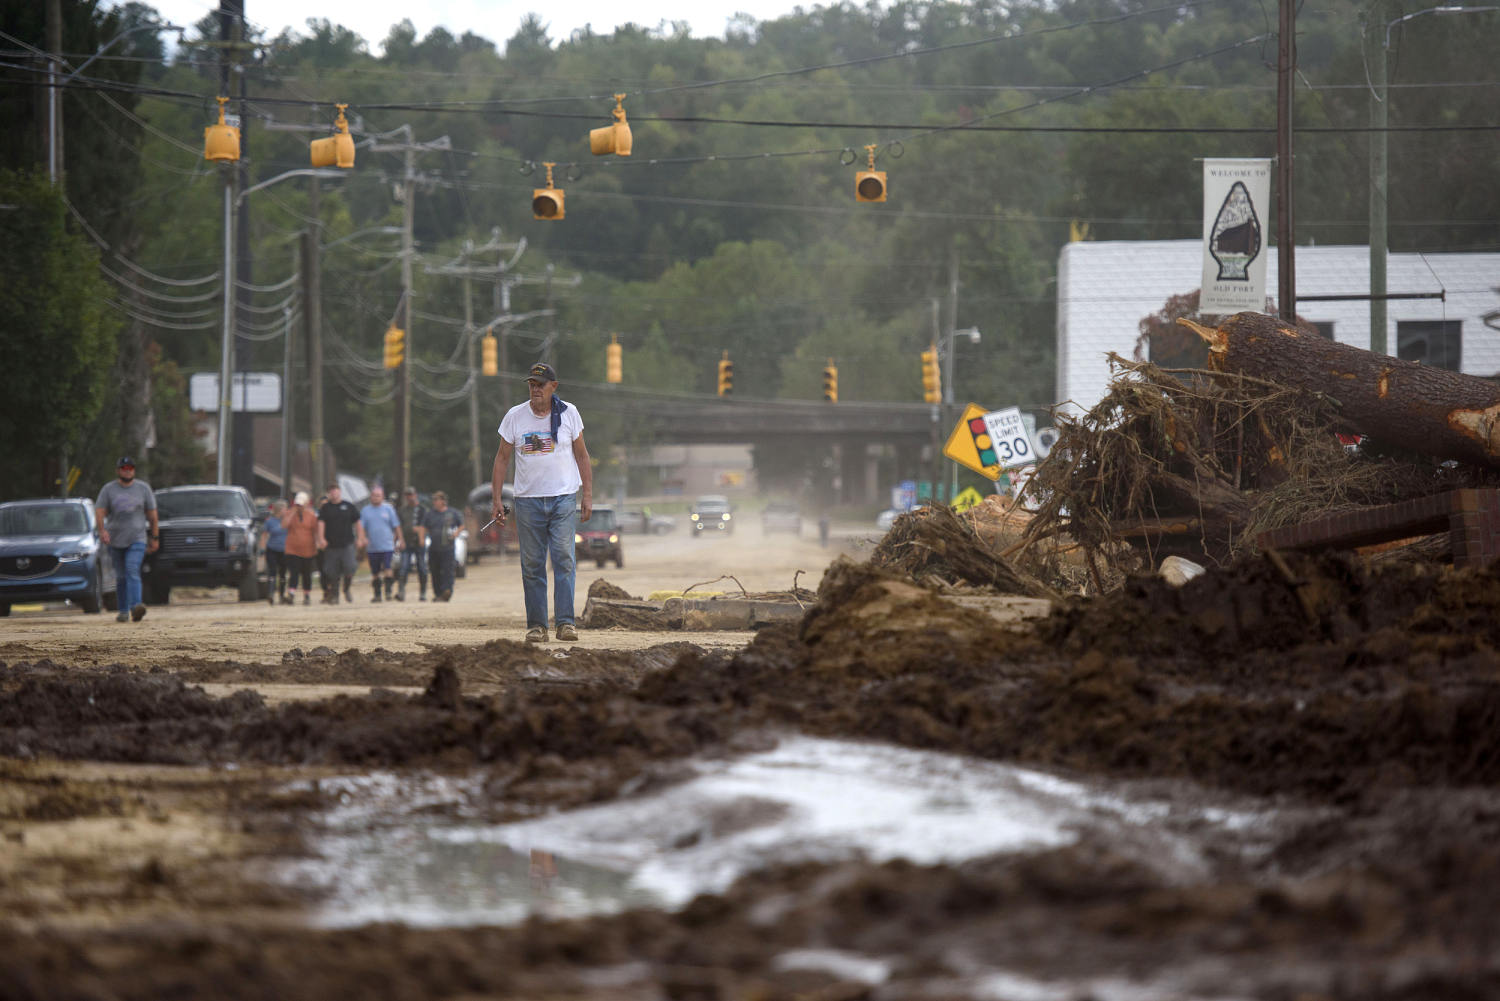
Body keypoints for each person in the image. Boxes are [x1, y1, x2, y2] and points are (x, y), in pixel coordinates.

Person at [492, 362, 592, 643]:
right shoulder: (515, 417)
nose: (535, 390)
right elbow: (502, 458)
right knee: (533, 565)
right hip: (527, 502)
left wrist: (587, 495)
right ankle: (537, 626)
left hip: (562, 499)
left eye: (540, 385)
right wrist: (497, 499)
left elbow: (582, 456)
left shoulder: (569, 414)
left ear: (553, 387)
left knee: (564, 559)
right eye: (531, 385)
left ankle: (565, 623)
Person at [95, 456, 158, 623]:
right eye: (124, 468)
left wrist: (155, 536)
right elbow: (100, 511)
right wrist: (102, 531)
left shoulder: (143, 489)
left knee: (132, 569)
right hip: (115, 540)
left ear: (134, 470)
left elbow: (152, 515)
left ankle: (136, 606)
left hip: (137, 538)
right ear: (118, 470)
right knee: (121, 576)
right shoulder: (108, 489)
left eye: (130, 468)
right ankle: (123, 611)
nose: (127, 470)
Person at [317, 482, 364, 604]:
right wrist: (321, 539)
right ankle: (335, 595)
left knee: (350, 567)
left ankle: (346, 588)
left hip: (347, 544)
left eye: (335, 490)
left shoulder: (348, 506)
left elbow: (358, 523)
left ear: (340, 491)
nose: (333, 493)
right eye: (331, 491)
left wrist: (360, 538)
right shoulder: (325, 508)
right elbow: (321, 524)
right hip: (331, 545)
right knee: (332, 571)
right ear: (329, 493)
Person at [359, 484, 402, 602]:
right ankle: (377, 594)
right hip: (372, 546)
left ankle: (388, 591)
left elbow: (396, 526)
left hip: (387, 545)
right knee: (375, 572)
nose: (375, 498)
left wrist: (400, 540)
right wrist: (362, 539)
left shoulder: (388, 509)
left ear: (382, 497)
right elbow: (361, 527)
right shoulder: (365, 510)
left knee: (388, 568)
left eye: (378, 496)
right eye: (373, 495)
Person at [418, 491, 464, 602]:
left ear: (443, 501)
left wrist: (456, 533)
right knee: (435, 571)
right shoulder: (430, 514)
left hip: (448, 547)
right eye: (433, 500)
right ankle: (438, 593)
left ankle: (447, 590)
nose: (434, 502)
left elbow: (462, 525)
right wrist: (421, 539)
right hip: (434, 548)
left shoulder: (452, 513)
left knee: (448, 570)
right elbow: (423, 527)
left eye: (436, 500)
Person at [281, 491, 320, 605]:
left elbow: (316, 531)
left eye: (301, 505)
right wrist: (292, 513)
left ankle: (306, 595)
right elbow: (284, 526)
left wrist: (318, 543)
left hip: (308, 550)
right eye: (297, 504)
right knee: (294, 572)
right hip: (292, 549)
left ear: (306, 504)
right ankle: (291, 594)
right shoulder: (290, 513)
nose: (299, 507)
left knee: (307, 574)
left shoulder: (311, 516)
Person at [396, 485, 428, 602]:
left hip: (419, 543)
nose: (410, 497)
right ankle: (401, 591)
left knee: (422, 568)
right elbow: (398, 527)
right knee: (403, 567)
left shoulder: (422, 510)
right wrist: (398, 541)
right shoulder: (402, 511)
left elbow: (425, 526)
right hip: (406, 543)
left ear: (416, 495)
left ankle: (423, 592)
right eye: (408, 495)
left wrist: (421, 536)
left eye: (411, 494)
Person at [259, 499, 290, 604]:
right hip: (272, 550)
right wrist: (262, 549)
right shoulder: (270, 521)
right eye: (285, 508)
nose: (286, 510)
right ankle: (271, 594)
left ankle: (281, 595)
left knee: (283, 573)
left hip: (284, 550)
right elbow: (264, 536)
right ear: (279, 510)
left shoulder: (287, 520)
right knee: (272, 572)